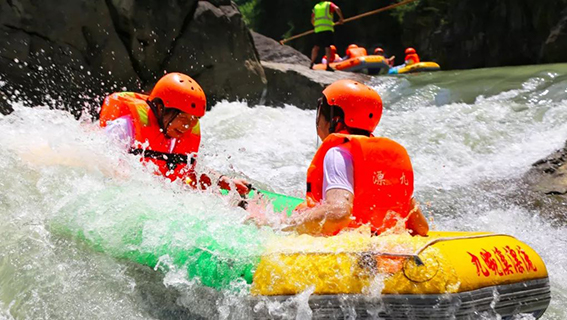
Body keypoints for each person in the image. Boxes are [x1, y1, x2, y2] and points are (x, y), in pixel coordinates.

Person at [283, 79, 429, 236]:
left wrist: (286, 226)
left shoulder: (338, 153)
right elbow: (420, 227)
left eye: (320, 113)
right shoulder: (391, 157)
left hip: (353, 251)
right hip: (386, 246)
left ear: (335, 121)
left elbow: (338, 214)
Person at [99, 72, 250, 194]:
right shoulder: (124, 128)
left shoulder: (179, 135)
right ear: (159, 108)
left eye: (194, 120)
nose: (187, 126)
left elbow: (189, 174)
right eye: (182, 117)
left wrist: (224, 182)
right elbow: (99, 167)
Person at [310, 1, 344, 68]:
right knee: (327, 47)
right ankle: (328, 65)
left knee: (316, 47)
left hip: (318, 29)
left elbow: (312, 19)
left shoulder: (316, 6)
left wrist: (316, 25)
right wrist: (341, 18)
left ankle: (311, 62)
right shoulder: (329, 4)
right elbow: (337, 8)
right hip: (327, 28)